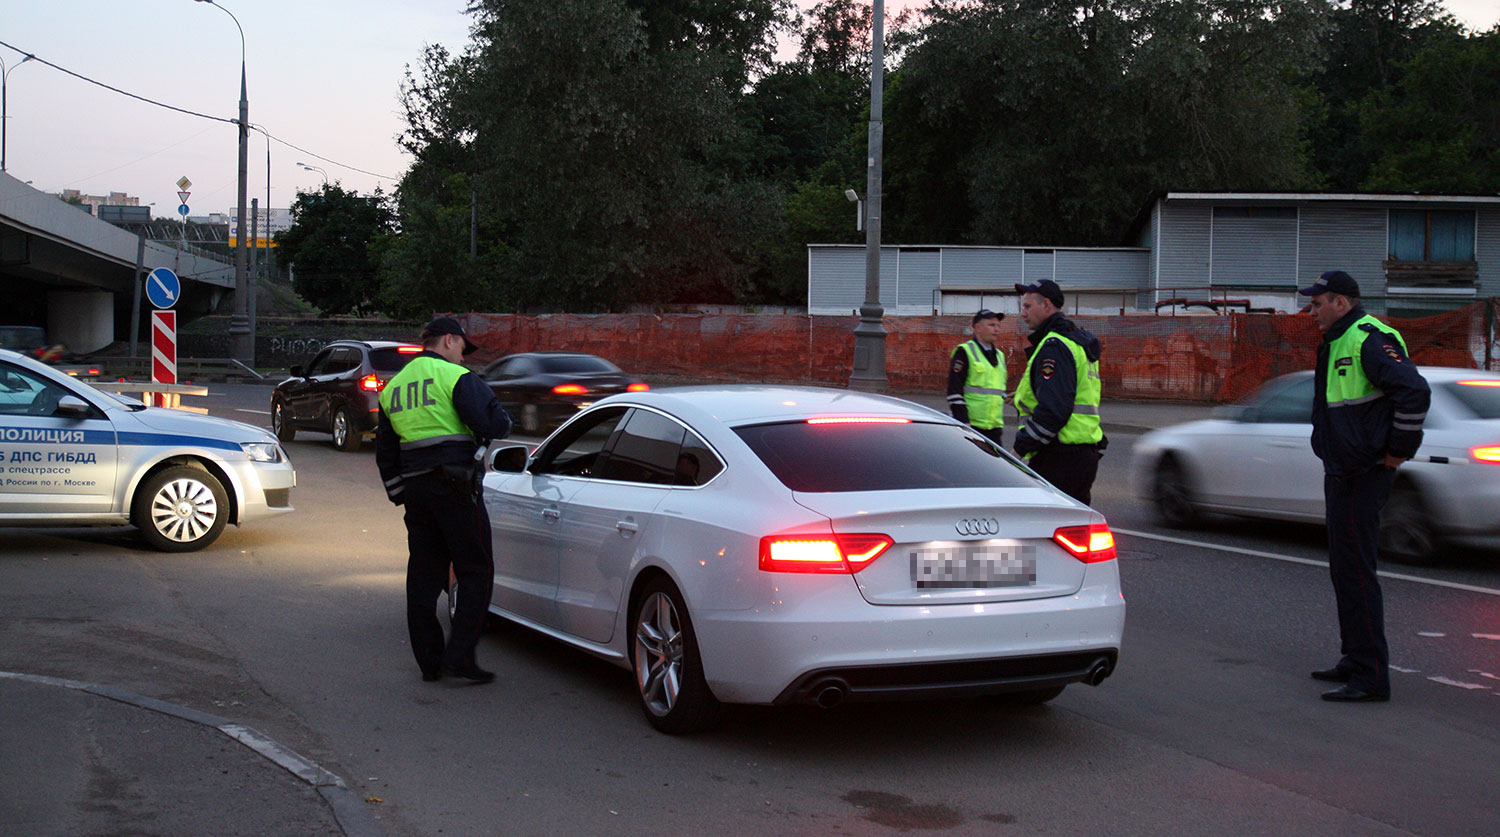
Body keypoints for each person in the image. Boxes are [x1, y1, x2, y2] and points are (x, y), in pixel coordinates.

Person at [1301, 270, 1429, 703]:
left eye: (1317, 303)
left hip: (1363, 472)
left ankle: (1371, 676)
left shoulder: (1367, 337)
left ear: (1340, 302)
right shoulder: (1338, 340)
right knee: (1344, 571)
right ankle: (1355, 658)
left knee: (1357, 573)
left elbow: (1414, 392)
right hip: (1343, 469)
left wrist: (1398, 451)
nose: (1311, 311)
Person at [375, 316, 513, 684]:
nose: (464, 357)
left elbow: (385, 452)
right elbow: (494, 424)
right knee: (475, 569)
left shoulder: (395, 387)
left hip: (417, 492)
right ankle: (460, 657)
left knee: (422, 575)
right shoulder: (454, 378)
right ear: (450, 340)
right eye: (463, 349)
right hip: (456, 486)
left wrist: (400, 493)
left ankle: (429, 663)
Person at [1011, 279, 1105, 505]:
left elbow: (1054, 411)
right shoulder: (1076, 341)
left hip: (1058, 456)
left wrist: (1018, 451)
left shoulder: (1054, 346)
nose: (1022, 314)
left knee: (1049, 527)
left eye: (1027, 307)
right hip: (1081, 454)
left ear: (1046, 305)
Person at [947, 308, 1008, 448]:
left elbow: (995, 389)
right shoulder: (964, 352)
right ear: (977, 328)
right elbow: (954, 391)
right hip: (971, 427)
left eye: (998, 325)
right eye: (991, 325)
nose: (996, 329)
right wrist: (963, 422)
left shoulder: (1000, 355)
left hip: (994, 428)